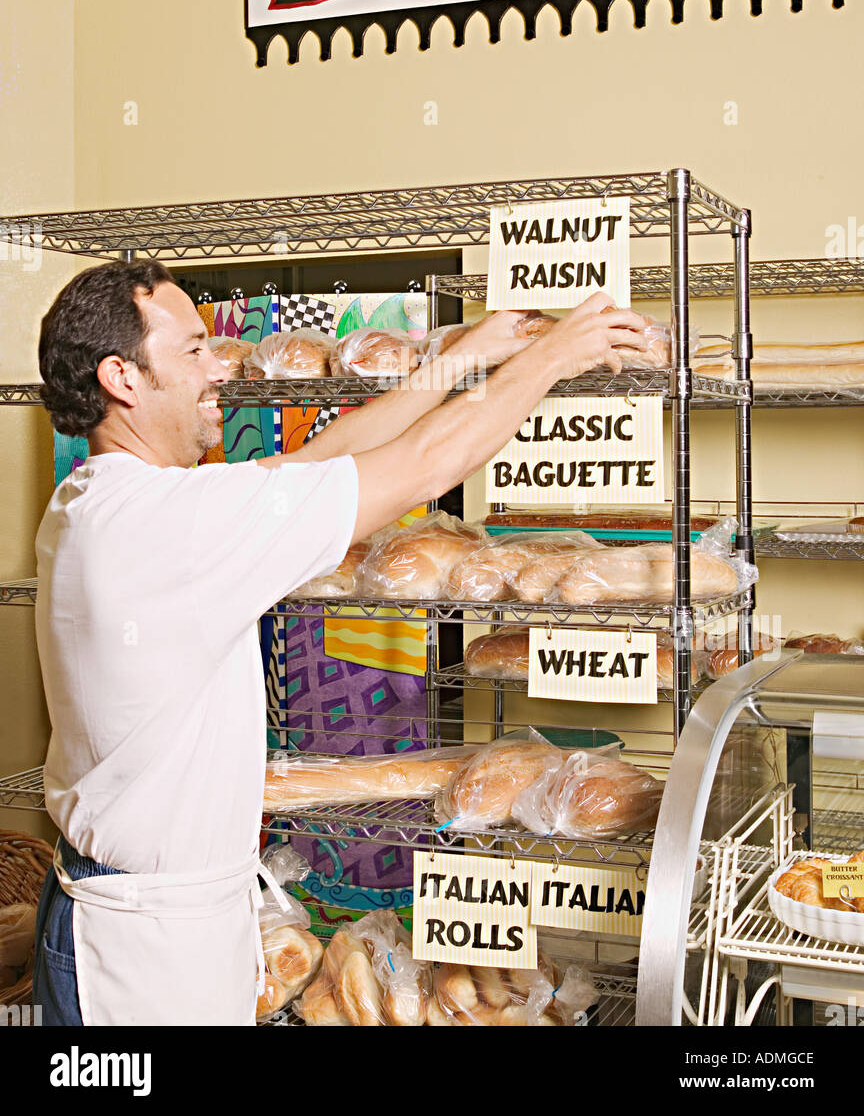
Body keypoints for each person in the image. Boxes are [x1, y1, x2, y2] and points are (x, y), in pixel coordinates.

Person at [31, 259, 649, 1025]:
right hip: (137, 943)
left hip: (159, 909)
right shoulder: (165, 525)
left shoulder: (107, 498)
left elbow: (319, 459)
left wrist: (465, 358)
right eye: (192, 351)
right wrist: (553, 357)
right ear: (123, 376)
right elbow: (427, 464)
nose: (215, 367)